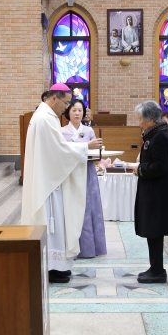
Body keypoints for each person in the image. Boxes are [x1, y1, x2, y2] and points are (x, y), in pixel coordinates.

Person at [21, 83, 103, 283]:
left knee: (56, 224)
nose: (66, 108)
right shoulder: (44, 118)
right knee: (52, 223)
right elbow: (60, 150)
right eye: (65, 103)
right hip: (48, 182)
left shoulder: (45, 116)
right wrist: (85, 147)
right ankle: (52, 268)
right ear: (54, 98)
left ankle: (58, 266)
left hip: (49, 177)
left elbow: (58, 148)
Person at [132, 101, 168, 283]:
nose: (139, 123)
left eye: (140, 119)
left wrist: (140, 169)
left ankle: (158, 271)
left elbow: (160, 167)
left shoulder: (161, 137)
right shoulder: (155, 134)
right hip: (153, 191)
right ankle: (155, 268)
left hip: (158, 194)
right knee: (153, 231)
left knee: (155, 231)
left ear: (151, 119)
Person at [61, 99, 107, 259]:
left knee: (88, 205)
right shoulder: (61, 131)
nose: (77, 113)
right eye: (74, 110)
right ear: (68, 112)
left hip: (87, 172)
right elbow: (61, 152)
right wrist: (85, 146)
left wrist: (97, 147)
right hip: (69, 173)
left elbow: (95, 153)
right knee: (71, 206)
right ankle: (70, 246)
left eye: (80, 110)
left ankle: (88, 248)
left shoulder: (89, 131)